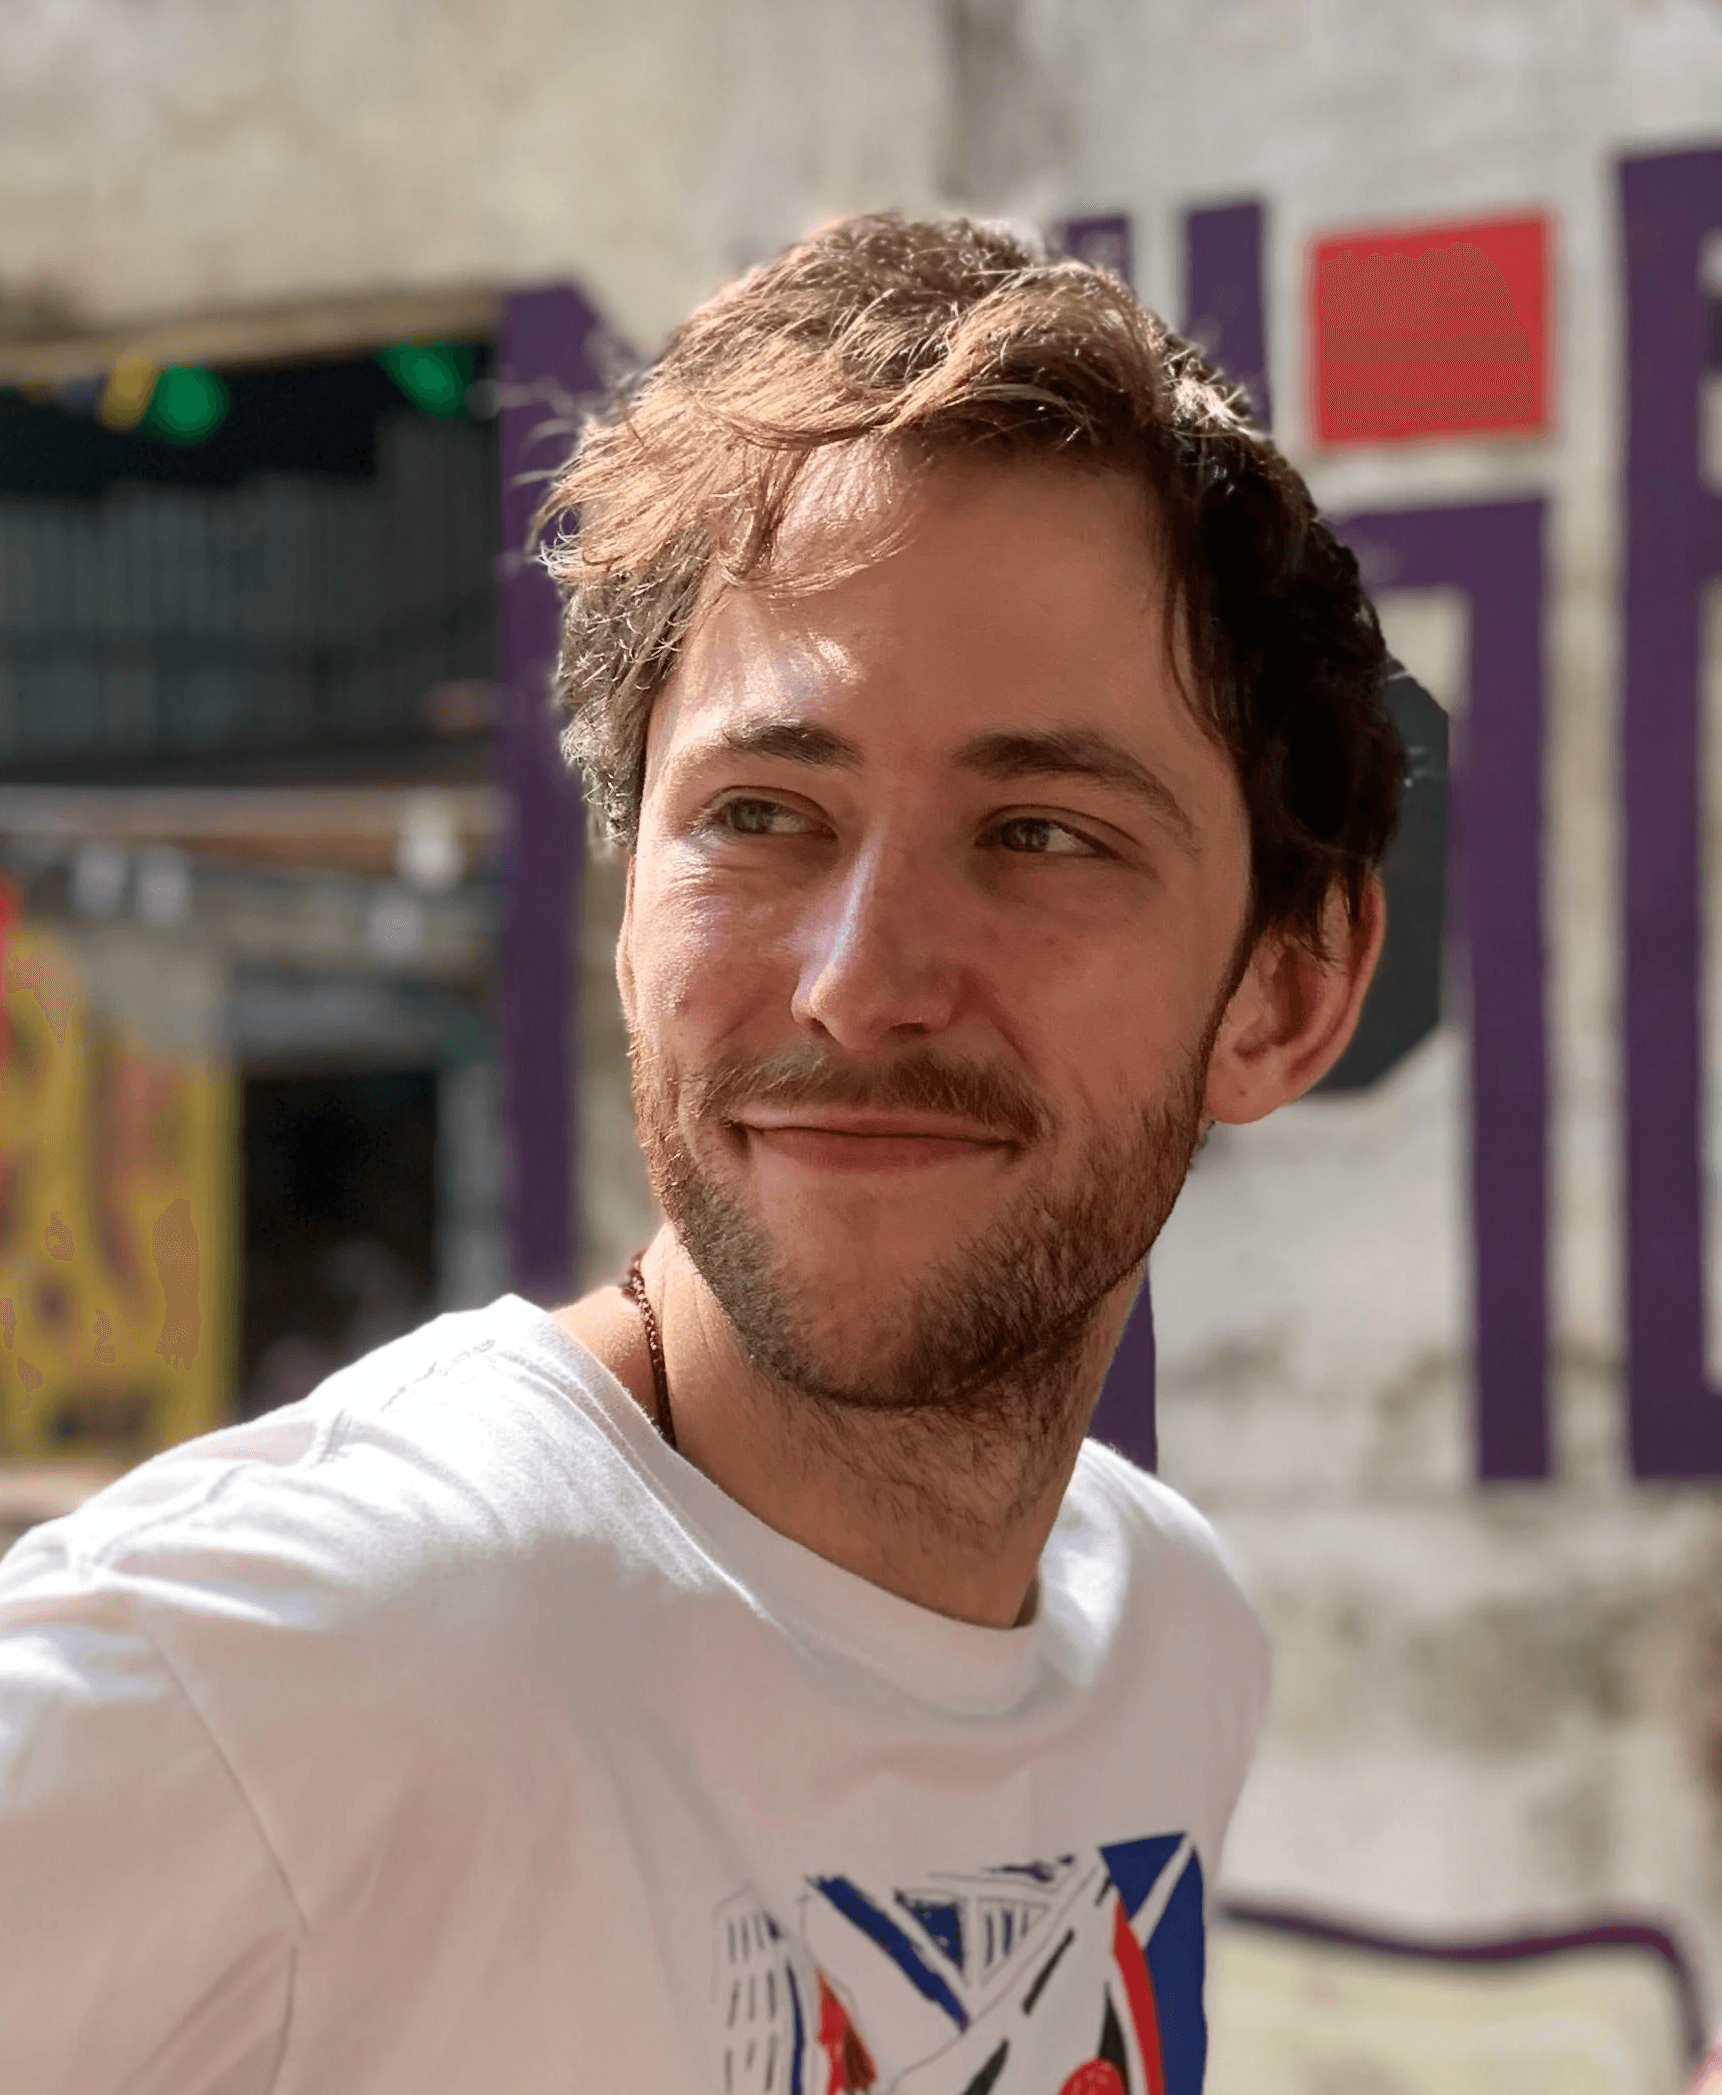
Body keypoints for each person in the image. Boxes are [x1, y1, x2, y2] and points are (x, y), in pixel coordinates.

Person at [0, 214, 1398, 2094]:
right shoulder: (296, 1658)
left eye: (1042, 834)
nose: (859, 981)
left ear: (1285, 992)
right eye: (759, 814)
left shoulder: (1169, 1640)